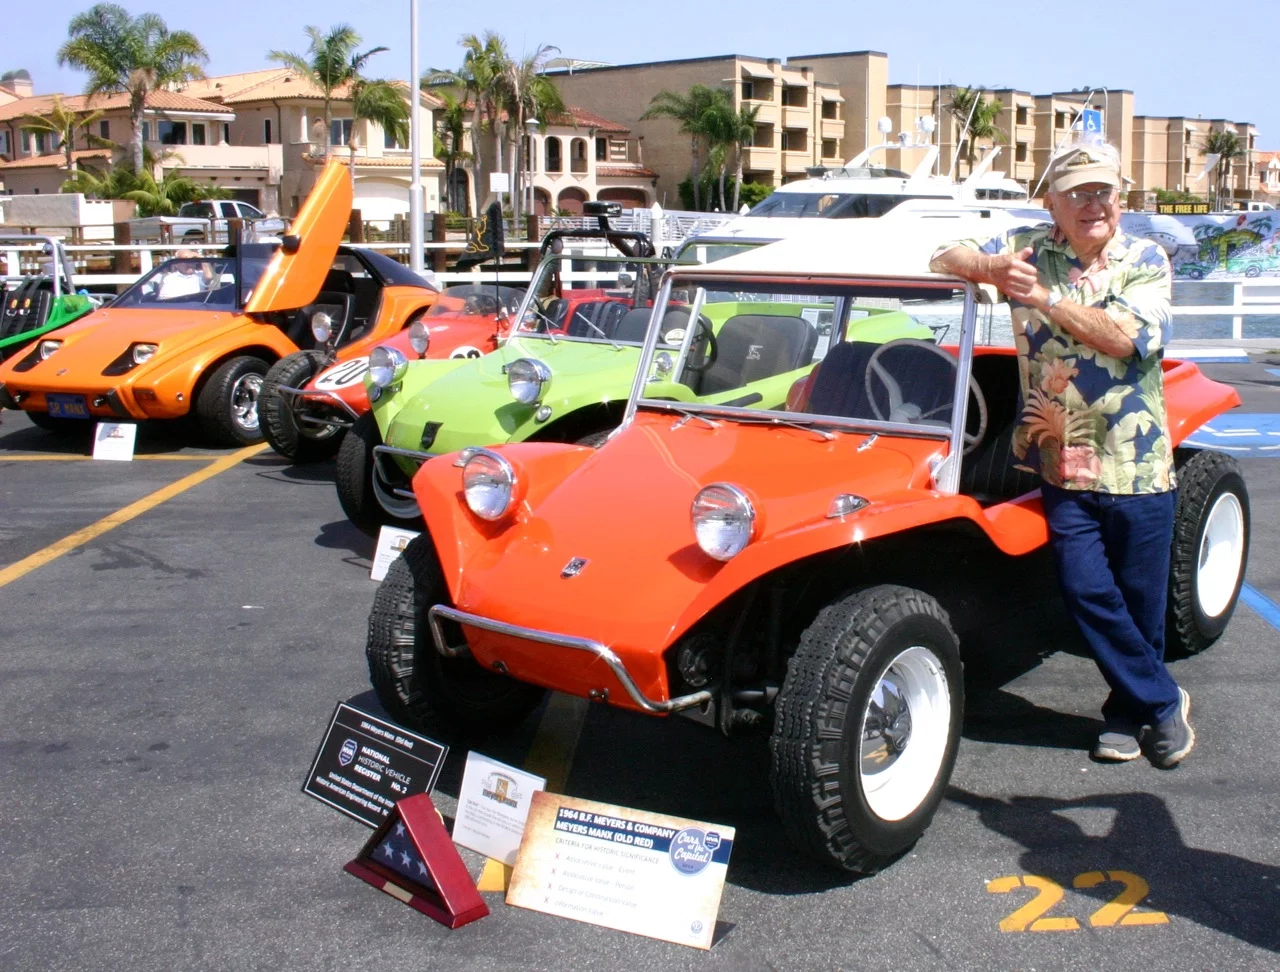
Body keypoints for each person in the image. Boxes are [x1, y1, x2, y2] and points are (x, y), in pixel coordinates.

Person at [930, 140, 1193, 768]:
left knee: (1139, 603)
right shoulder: (1030, 250)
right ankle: (1163, 702)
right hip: (1063, 464)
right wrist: (988, 269)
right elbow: (940, 257)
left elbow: (1129, 338)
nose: (1093, 203)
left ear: (1120, 199)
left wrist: (1047, 300)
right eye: (1077, 193)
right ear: (1050, 202)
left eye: (1102, 191)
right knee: (1084, 594)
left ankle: (1129, 716)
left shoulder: (1145, 258)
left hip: (1138, 465)